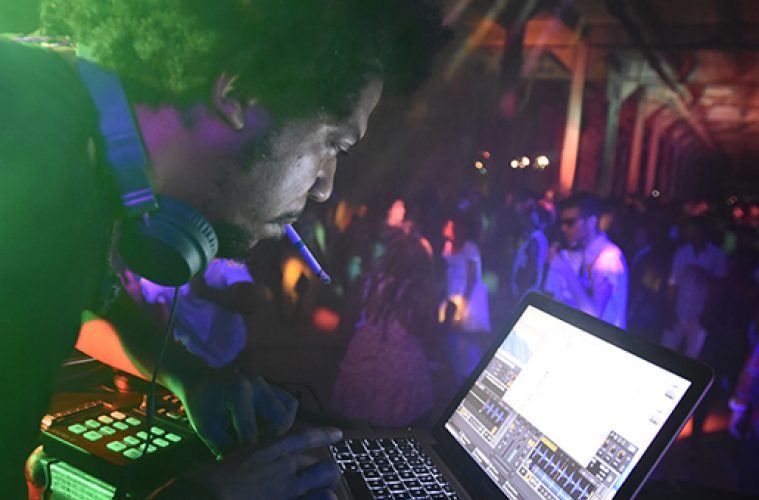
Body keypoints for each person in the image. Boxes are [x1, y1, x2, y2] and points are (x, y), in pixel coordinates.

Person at [0, 1, 444, 497]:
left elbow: (81, 299)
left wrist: (190, 376)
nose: (324, 186)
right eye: (333, 144)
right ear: (238, 96)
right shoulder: (40, 195)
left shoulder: (50, 120)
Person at [332, 233, 437, 427]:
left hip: (361, 364)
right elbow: (430, 338)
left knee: (354, 428)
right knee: (399, 430)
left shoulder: (369, 283)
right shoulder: (420, 293)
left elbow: (346, 322)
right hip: (401, 375)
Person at [137, 258, 258, 369]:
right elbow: (149, 304)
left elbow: (250, 302)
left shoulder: (223, 263)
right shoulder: (159, 275)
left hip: (239, 352)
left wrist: (207, 292)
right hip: (203, 365)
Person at [544, 192, 628, 329]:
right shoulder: (584, 252)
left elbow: (593, 316)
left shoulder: (609, 258)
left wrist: (566, 271)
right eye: (562, 222)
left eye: (570, 222)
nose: (564, 228)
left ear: (591, 222)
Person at [441, 210, 492, 382]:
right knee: (453, 337)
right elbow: (446, 271)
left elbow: (472, 278)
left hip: (468, 297)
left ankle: (470, 375)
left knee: (467, 337)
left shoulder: (471, 248)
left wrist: (463, 302)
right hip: (451, 294)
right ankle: (458, 373)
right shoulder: (448, 247)